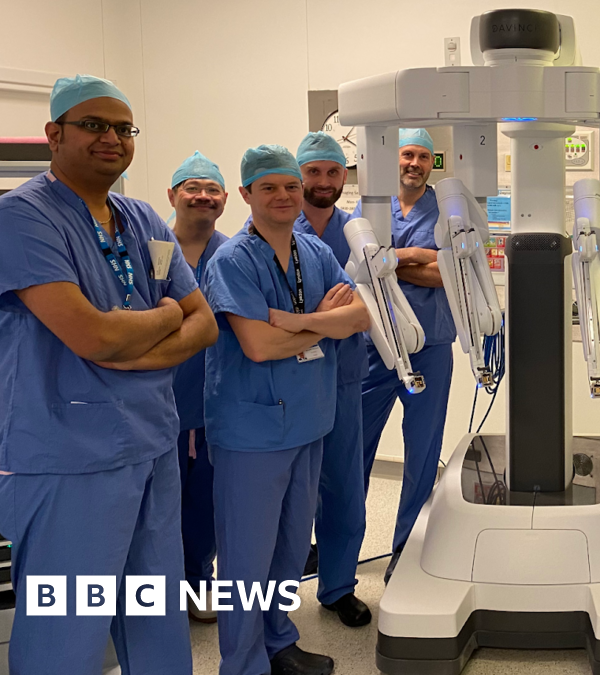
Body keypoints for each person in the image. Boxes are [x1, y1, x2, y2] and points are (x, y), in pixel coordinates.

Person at [0, 74, 217, 674]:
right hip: (68, 452)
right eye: (93, 125)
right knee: (66, 627)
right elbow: (92, 335)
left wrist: (138, 335)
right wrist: (165, 315)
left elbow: (204, 324)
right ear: (54, 134)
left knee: (155, 613)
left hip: (151, 443)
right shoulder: (21, 218)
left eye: (123, 128)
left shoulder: (142, 217)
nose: (112, 139)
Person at [203, 144, 370, 675]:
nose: (283, 196)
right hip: (251, 429)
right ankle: (243, 662)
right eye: (269, 187)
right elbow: (255, 345)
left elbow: (361, 316)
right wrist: (321, 323)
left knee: (291, 546)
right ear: (246, 194)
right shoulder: (231, 261)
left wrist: (294, 324)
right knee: (246, 559)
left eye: (290, 187)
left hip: (308, 420)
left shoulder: (313, 251)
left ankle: (279, 640)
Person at [351, 128, 457, 578]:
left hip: (430, 346)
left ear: (433, 163)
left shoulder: (448, 210)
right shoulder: (371, 204)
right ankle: (341, 548)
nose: (414, 163)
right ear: (394, 159)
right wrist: (421, 258)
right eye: (408, 154)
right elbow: (362, 268)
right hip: (374, 346)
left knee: (422, 452)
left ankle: (405, 551)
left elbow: (449, 274)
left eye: (423, 157)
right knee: (353, 448)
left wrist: (398, 259)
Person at [293, 131, 372, 627]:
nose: (324, 181)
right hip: (288, 380)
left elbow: (365, 309)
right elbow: (267, 311)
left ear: (345, 176)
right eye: (313, 171)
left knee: (345, 487)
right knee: (288, 494)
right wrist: (324, 316)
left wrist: (310, 317)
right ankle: (277, 595)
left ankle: (339, 585)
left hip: (343, 376)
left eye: (333, 172)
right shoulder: (274, 225)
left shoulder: (358, 231)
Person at [167, 150, 230, 624]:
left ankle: (197, 579)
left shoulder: (231, 254)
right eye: (192, 187)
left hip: (215, 403)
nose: (202, 196)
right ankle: (161, 585)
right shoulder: (147, 251)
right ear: (172, 195)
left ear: (225, 200)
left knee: (206, 502)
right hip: (157, 399)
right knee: (158, 504)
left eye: (211, 189)